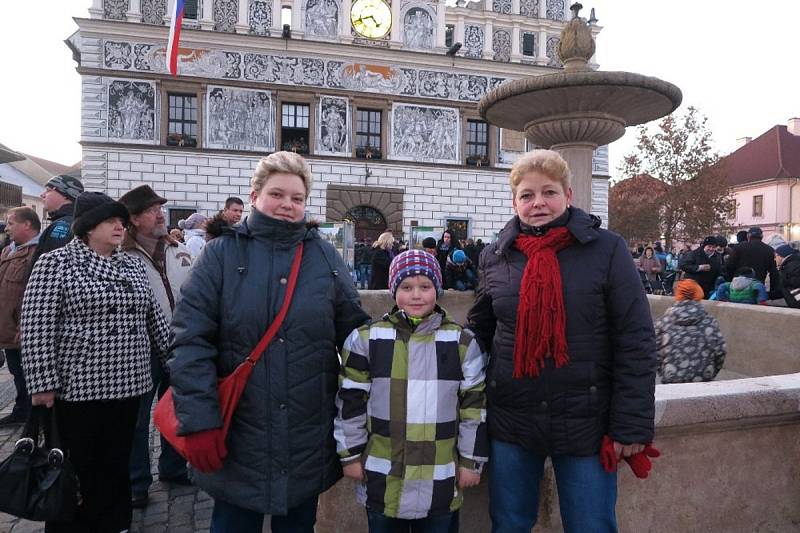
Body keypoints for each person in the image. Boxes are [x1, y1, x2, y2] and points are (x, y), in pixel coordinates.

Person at [168, 151, 370, 532]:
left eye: (297, 198)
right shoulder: (220, 254)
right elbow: (189, 342)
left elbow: (355, 334)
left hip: (305, 432)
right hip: (237, 431)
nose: (287, 205)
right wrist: (198, 421)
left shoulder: (324, 256)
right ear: (255, 195)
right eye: (277, 194)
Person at [467, 150, 657, 532]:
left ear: (568, 196)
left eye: (548, 192)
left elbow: (635, 338)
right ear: (514, 201)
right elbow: (480, 334)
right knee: (508, 523)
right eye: (527, 195)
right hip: (512, 417)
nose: (538, 203)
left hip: (586, 418)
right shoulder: (495, 256)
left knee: (591, 525)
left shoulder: (607, 249)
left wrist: (631, 424)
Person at [21, 192, 170, 533]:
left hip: (129, 383)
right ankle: (72, 525)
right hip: (78, 387)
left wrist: (176, 362)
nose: (120, 226)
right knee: (78, 464)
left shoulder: (132, 264)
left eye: (121, 220)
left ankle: (115, 522)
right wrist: (42, 384)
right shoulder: (55, 263)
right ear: (87, 228)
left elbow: (155, 319)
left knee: (117, 461)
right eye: (110, 220)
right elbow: (36, 325)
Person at [335, 250, 488, 532]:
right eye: (406, 287)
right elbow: (350, 402)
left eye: (425, 287)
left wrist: (471, 461)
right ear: (394, 290)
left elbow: (474, 407)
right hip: (382, 475)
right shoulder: (367, 339)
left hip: (440, 477)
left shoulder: (461, 342)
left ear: (437, 290)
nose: (416, 295)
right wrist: (351, 455)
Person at [119, 184, 194, 508]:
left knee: (177, 409)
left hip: (180, 342)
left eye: (160, 209)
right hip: (141, 347)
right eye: (152, 211)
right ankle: (137, 481)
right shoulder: (122, 256)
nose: (160, 214)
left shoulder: (178, 249)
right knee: (136, 419)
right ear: (134, 219)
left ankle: (173, 466)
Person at [0, 207, 40, 427]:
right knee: (16, 372)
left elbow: (31, 293)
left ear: (27, 225)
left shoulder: (37, 253)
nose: (7, 228)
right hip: (7, 325)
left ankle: (33, 417)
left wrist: (25, 325)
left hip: (21, 327)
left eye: (11, 223)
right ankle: (21, 409)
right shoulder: (8, 250)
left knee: (28, 374)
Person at [654, 279, 726, 383]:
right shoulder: (709, 322)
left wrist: (664, 372)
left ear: (678, 295)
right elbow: (720, 351)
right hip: (703, 381)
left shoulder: (664, 322)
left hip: (672, 380)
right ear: (698, 294)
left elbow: (654, 351)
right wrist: (710, 373)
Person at [33, 174, 84, 263]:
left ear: (65, 195)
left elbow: (50, 266)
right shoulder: (74, 220)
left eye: (48, 190)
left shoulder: (62, 225)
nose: (42, 195)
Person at [725, 227, 780, 296]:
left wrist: (731, 280)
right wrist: (773, 292)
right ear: (761, 236)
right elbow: (773, 273)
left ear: (748, 236)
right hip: (758, 286)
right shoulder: (769, 250)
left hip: (738, 286)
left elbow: (729, 266)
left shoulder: (738, 247)